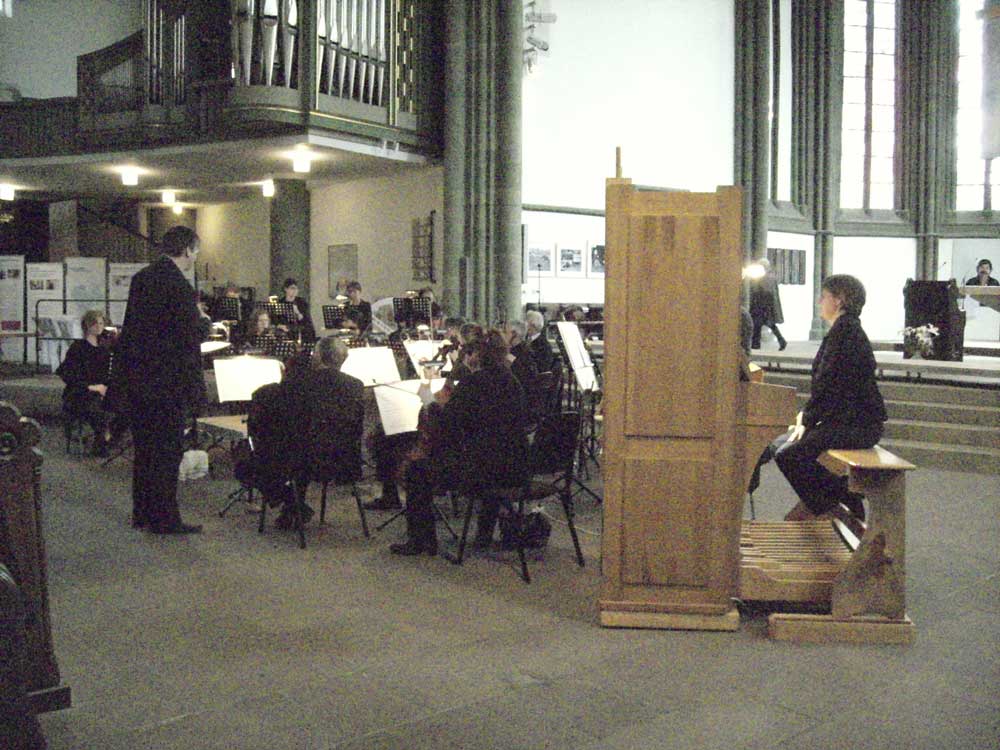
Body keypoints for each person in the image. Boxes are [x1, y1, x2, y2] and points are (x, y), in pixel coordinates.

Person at [391, 329, 529, 555]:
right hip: (516, 467)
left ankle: (421, 541)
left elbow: (448, 427)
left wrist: (429, 403)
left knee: (417, 470)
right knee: (489, 455)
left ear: (478, 356)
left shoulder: (473, 383)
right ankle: (483, 536)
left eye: (470, 353)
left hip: (481, 471)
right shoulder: (513, 382)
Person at [114, 225, 209, 534]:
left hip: (140, 379)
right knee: (167, 453)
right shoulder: (179, 286)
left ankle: (142, 513)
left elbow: (134, 331)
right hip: (168, 383)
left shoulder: (142, 278)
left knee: (144, 451)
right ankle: (165, 518)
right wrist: (204, 323)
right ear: (187, 250)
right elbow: (189, 335)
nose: (195, 257)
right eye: (196, 251)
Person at [774, 274, 887, 523]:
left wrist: (808, 420)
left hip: (858, 426)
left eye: (823, 297)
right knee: (781, 446)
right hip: (845, 420)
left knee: (788, 454)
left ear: (839, 300)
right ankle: (836, 499)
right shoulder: (843, 330)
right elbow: (829, 385)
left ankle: (843, 499)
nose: (819, 302)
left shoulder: (846, 333)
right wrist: (807, 418)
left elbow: (830, 384)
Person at [248, 338, 364, 529]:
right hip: (345, 460)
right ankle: (293, 508)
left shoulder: (302, 383)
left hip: (307, 462)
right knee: (304, 444)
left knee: (253, 461)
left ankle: (294, 504)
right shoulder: (356, 386)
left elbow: (267, 403)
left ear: (318, 356)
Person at [56, 309, 116, 456]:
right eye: (95, 323)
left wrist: (106, 387)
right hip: (79, 392)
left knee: (122, 406)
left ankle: (105, 439)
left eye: (101, 323)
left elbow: (106, 376)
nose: (99, 326)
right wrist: (92, 387)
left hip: (100, 391)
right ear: (87, 326)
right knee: (96, 407)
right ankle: (102, 441)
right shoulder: (78, 347)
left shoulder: (104, 349)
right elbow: (67, 374)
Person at [749, 258, 787, 350]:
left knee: (760, 324)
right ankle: (780, 341)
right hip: (763, 306)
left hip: (763, 306)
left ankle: (756, 344)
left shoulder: (767, 277)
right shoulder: (767, 276)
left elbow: (765, 292)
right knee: (765, 325)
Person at [277, 277, 316, 342]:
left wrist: (297, 312)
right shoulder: (280, 303)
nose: (295, 291)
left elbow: (306, 321)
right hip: (286, 330)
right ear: (285, 289)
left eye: (296, 289)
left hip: (300, 329)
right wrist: (279, 326)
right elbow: (276, 320)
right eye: (292, 288)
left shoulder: (302, 302)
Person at [525, 309, 557, 373]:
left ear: (533, 325)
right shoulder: (524, 340)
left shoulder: (544, 345)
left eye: (526, 322)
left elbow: (542, 368)